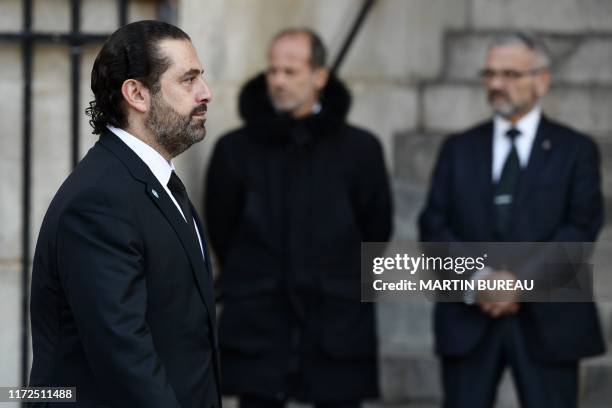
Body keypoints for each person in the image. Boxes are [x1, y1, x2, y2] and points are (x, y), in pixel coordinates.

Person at [28, 20, 220, 408]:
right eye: (188, 80)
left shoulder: (152, 182)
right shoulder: (101, 200)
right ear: (136, 93)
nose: (206, 93)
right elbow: (124, 353)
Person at [205, 28, 392, 408]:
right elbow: (221, 228)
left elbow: (376, 229)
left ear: (320, 76)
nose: (278, 81)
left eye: (290, 71)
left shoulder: (360, 149)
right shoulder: (234, 149)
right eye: (273, 70)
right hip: (259, 320)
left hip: (336, 321)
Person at [419, 32, 605, 408]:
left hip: (550, 321)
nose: (497, 84)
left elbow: (580, 229)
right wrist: (480, 280)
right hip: (469, 319)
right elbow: (434, 227)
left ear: (542, 80)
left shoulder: (575, 150)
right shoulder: (458, 148)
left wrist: (520, 284)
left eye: (510, 74)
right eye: (489, 74)